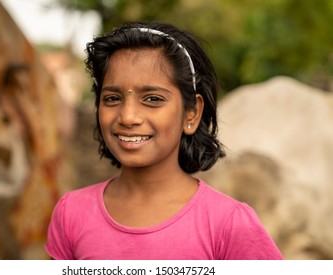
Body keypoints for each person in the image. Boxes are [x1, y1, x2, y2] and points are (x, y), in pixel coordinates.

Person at [45, 21, 283, 260]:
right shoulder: (71, 214)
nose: (127, 117)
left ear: (192, 113)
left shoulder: (230, 224)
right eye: (112, 98)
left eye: (152, 99)